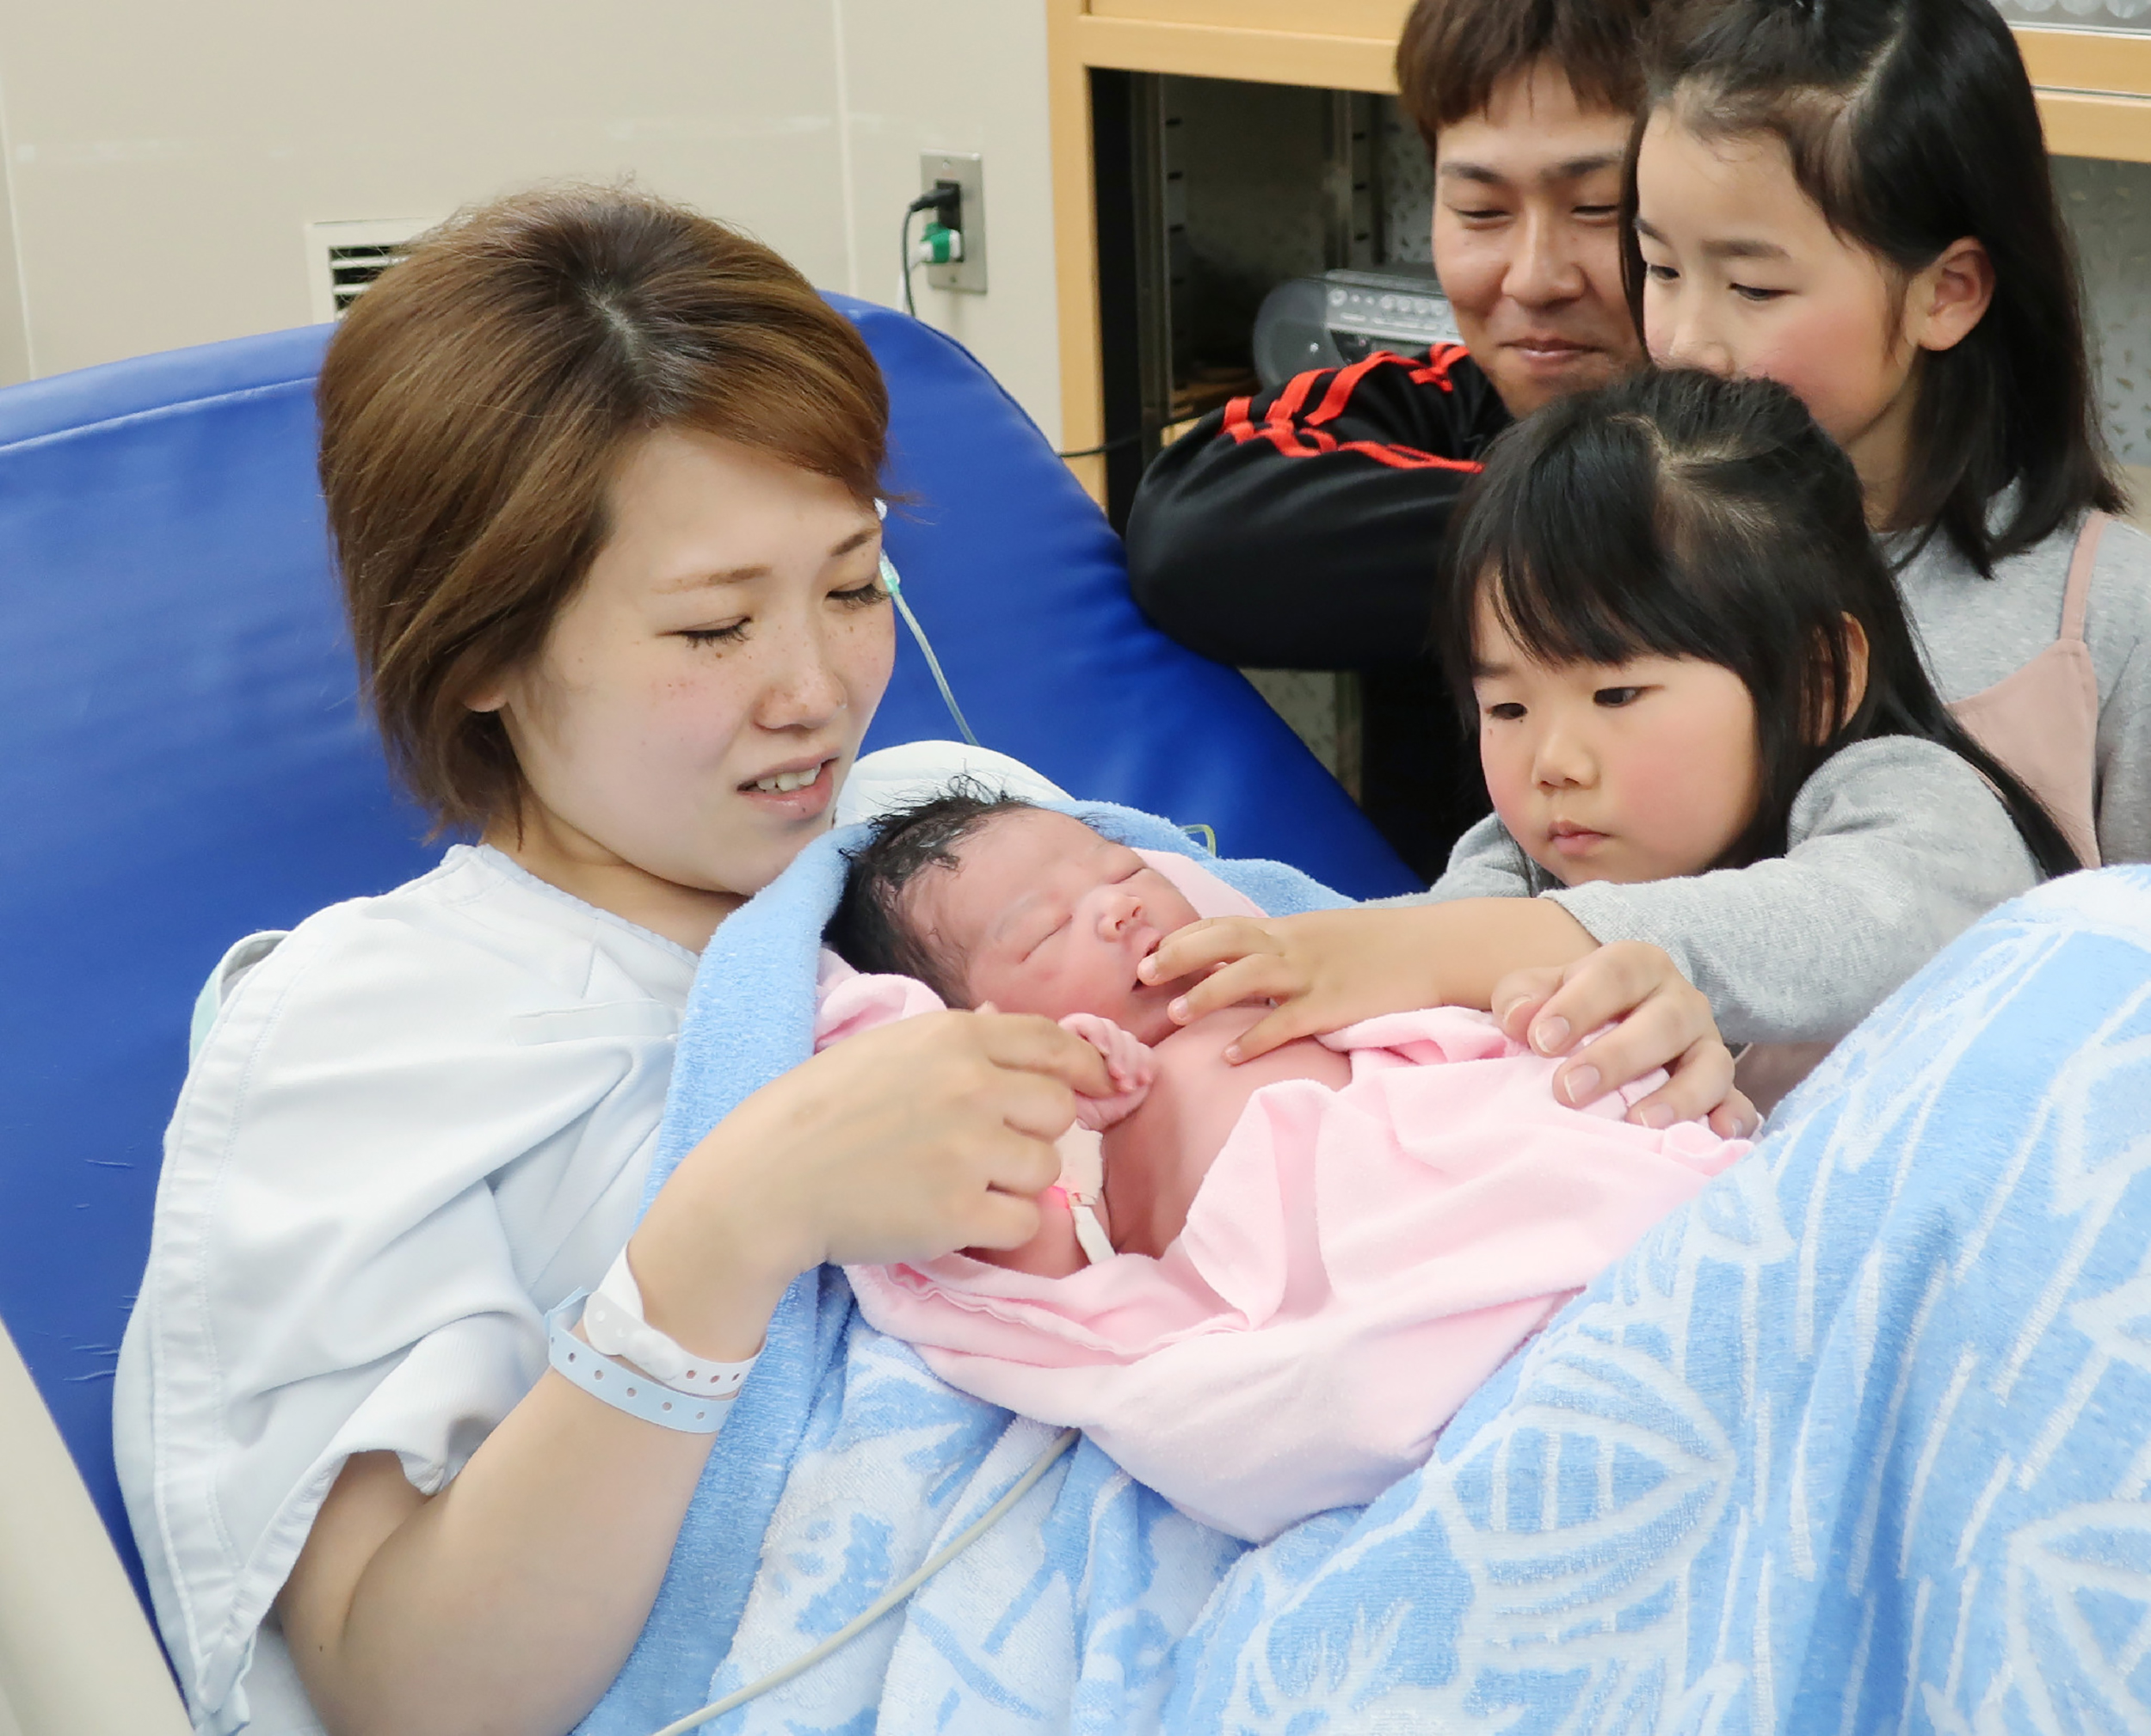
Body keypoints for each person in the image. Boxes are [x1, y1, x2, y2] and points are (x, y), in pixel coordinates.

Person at [111, 185, 1744, 1736]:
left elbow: (1400, 1050)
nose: (818, 690)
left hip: (1511, 1447)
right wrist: (725, 1240)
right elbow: (394, 1687)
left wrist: (1600, 1033)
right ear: (478, 648)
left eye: (852, 584)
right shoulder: (370, 1034)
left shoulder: (985, 848)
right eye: (710, 627)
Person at [818, 791, 1743, 1542]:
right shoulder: (1062, 1129)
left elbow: (1461, 1028)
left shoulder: (1298, 968)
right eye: (1045, 930)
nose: (1119, 902)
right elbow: (1029, 1270)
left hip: (1503, 1179)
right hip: (1367, 1301)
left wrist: (1533, 1012)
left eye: (1121, 869)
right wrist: (1045, 1116)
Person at [1142, 370, 2075, 1104]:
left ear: (1818, 679)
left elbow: (1848, 924)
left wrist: (1437, 950)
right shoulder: (1517, 862)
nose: (1553, 763)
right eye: (1505, 708)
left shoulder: (1918, 805)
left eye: (1617, 693)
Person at [1125, 0, 1649, 877]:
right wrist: (1635, 525)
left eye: (1598, 208)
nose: (1533, 277)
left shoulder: (1805, 445)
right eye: (1480, 210)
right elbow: (1191, 532)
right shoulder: (1438, 405)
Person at [1630, 0, 2151, 869]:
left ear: (1945, 292)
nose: (1684, 342)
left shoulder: (2107, 616)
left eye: (1753, 288)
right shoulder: (1621, 553)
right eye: (1660, 269)